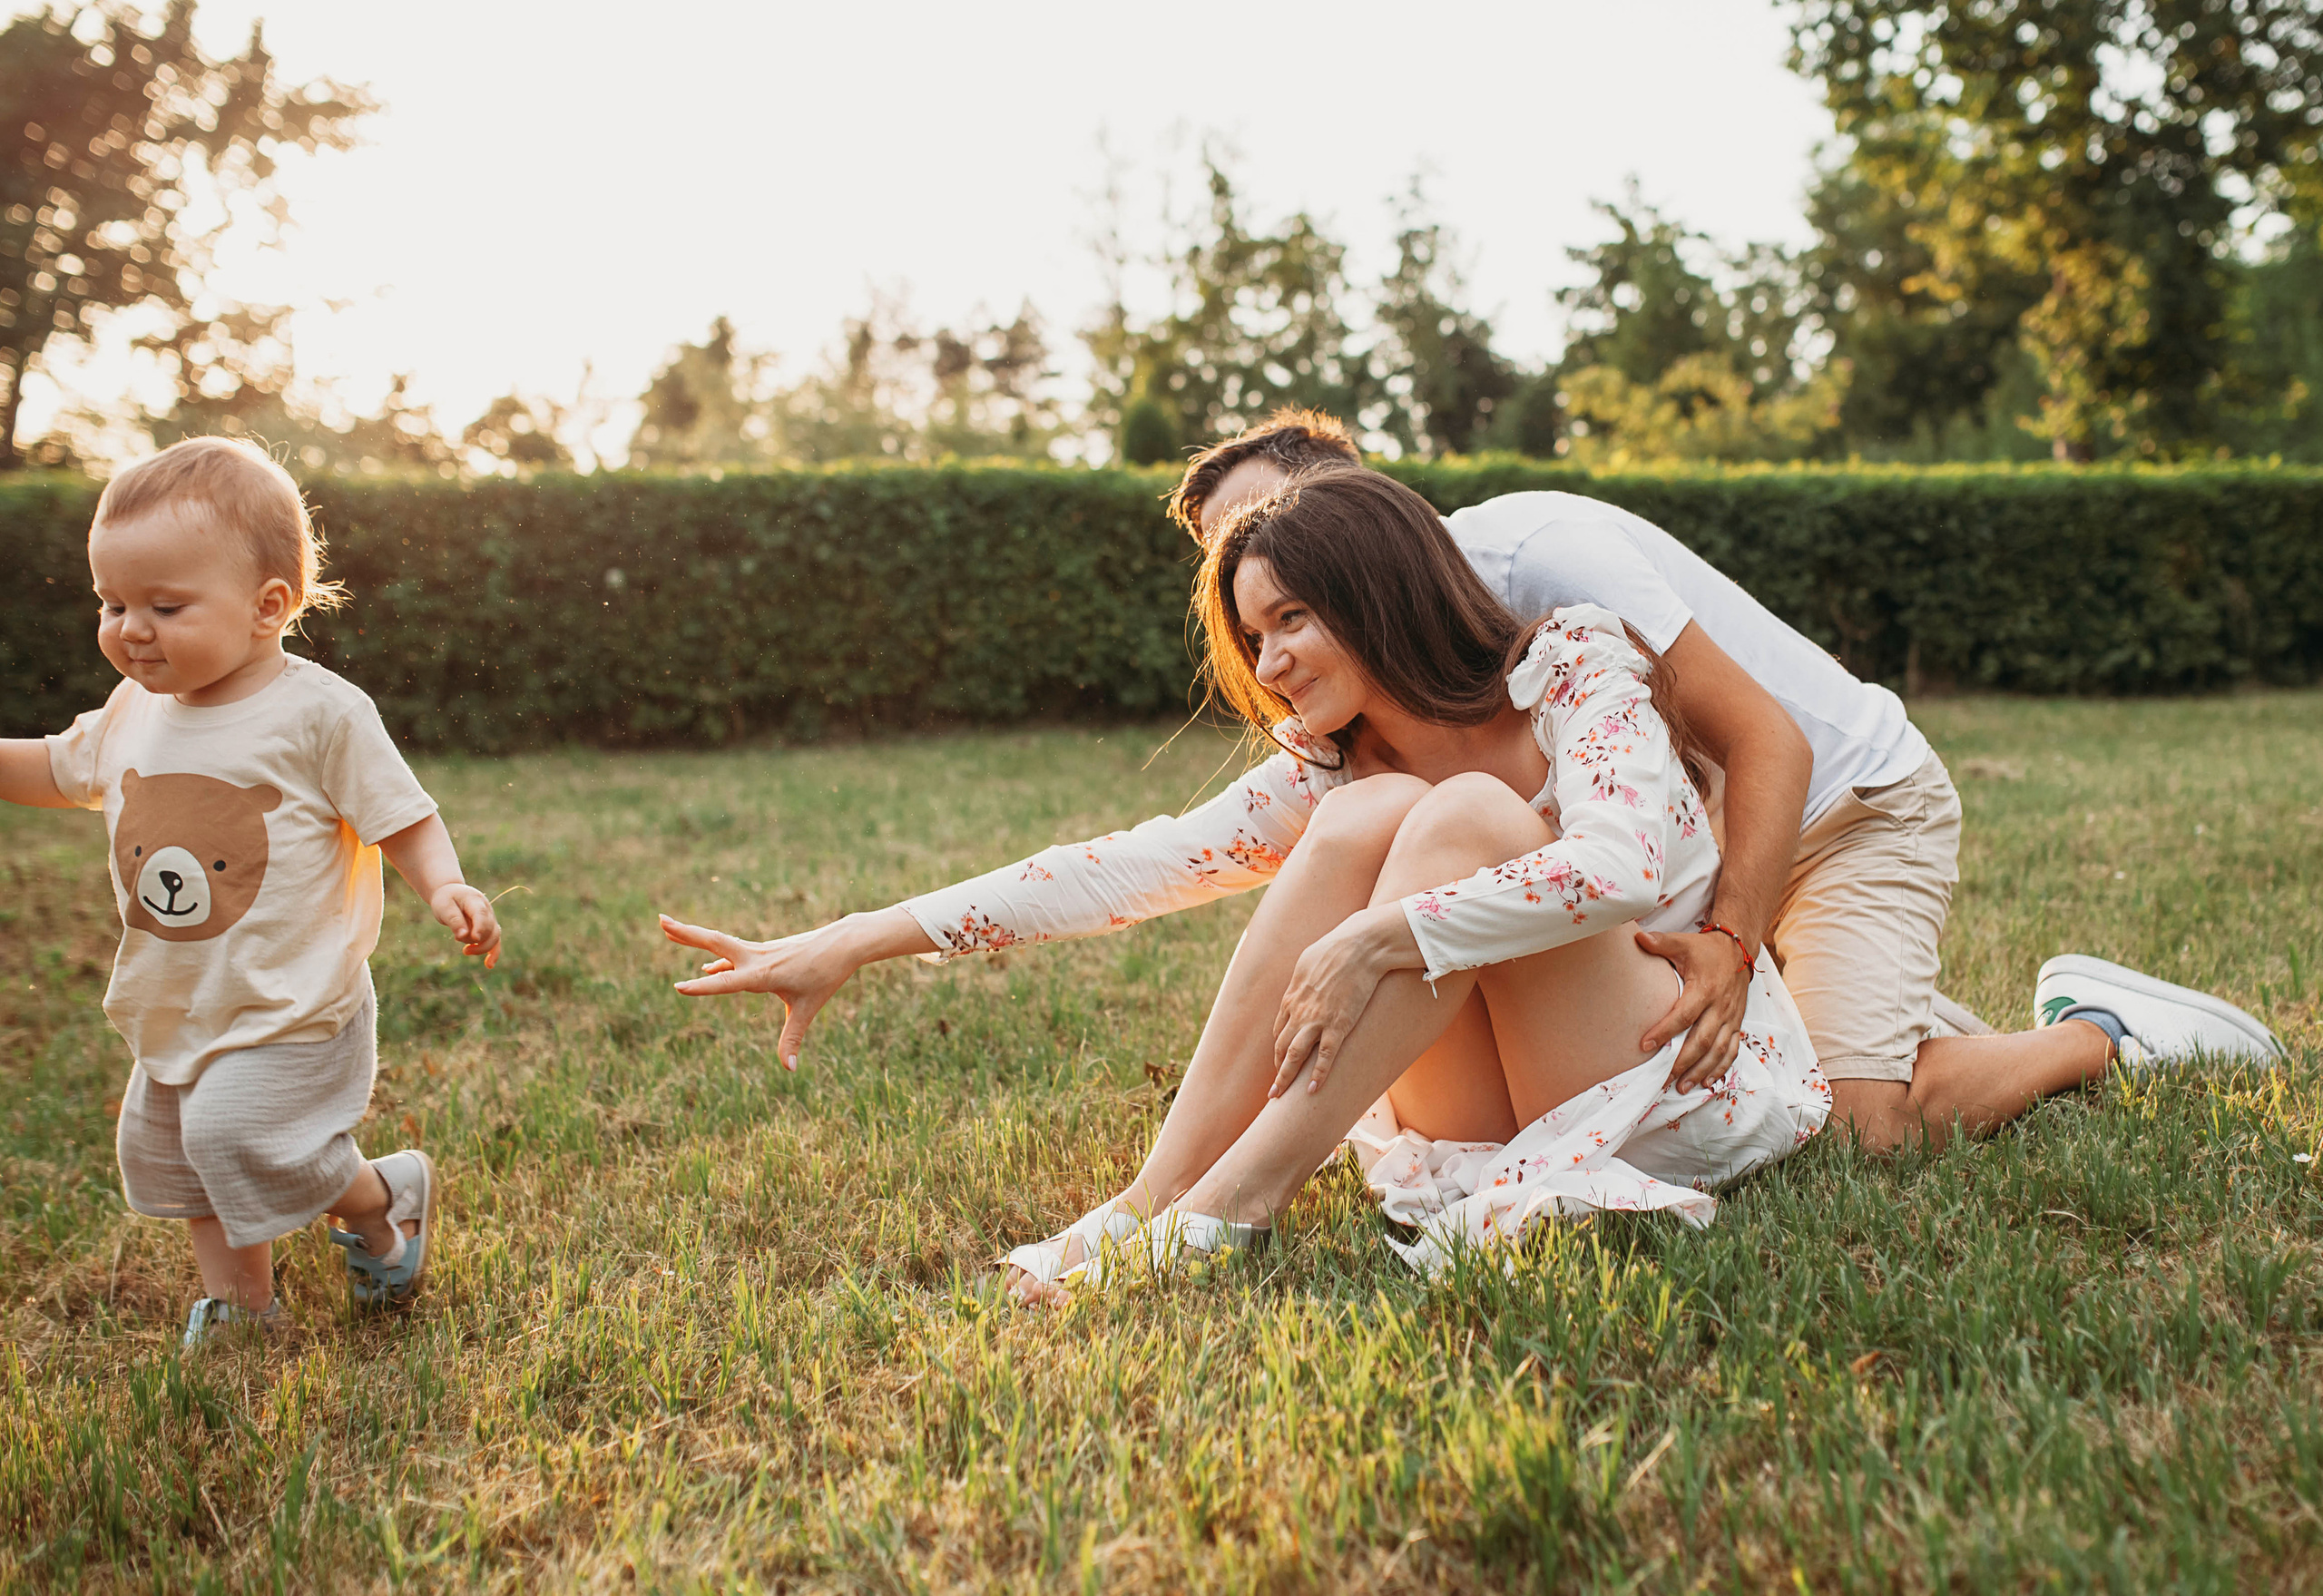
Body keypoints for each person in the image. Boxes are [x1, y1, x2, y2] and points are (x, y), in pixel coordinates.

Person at [662, 468, 1832, 1291]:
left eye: (1291, 622)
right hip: (1495, 1119)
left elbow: (1621, 867)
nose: (1268, 667)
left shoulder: (1568, 661)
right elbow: (1126, 867)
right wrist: (862, 936)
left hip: (1674, 1073)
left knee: (1467, 813)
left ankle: (1236, 1204)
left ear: (1376, 595)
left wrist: (1383, 939)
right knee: (1379, 811)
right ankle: (1147, 1203)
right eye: (1252, 638)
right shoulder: (1336, 767)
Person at [1163, 410, 2282, 1151]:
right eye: (1236, 564)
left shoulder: (1532, 557)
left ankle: (2098, 1032)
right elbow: (1174, 853)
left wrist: (1736, 943)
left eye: (1279, 529)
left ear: (1356, 505)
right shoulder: (1374, 683)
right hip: (1700, 840)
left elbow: (1771, 745)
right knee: (1750, 1080)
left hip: (1846, 809)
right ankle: (1896, 1018)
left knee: (1859, 1127)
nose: (1260, 575)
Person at [0, 437, 502, 1349]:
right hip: (181, 998)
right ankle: (245, 1306)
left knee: (245, 1135)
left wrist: (447, 885)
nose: (128, 629)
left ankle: (384, 1198)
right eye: (110, 602)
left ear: (269, 606)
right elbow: (52, 765)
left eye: (164, 605)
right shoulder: (131, 710)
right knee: (181, 1152)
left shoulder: (319, 714)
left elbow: (403, 816)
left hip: (291, 996)